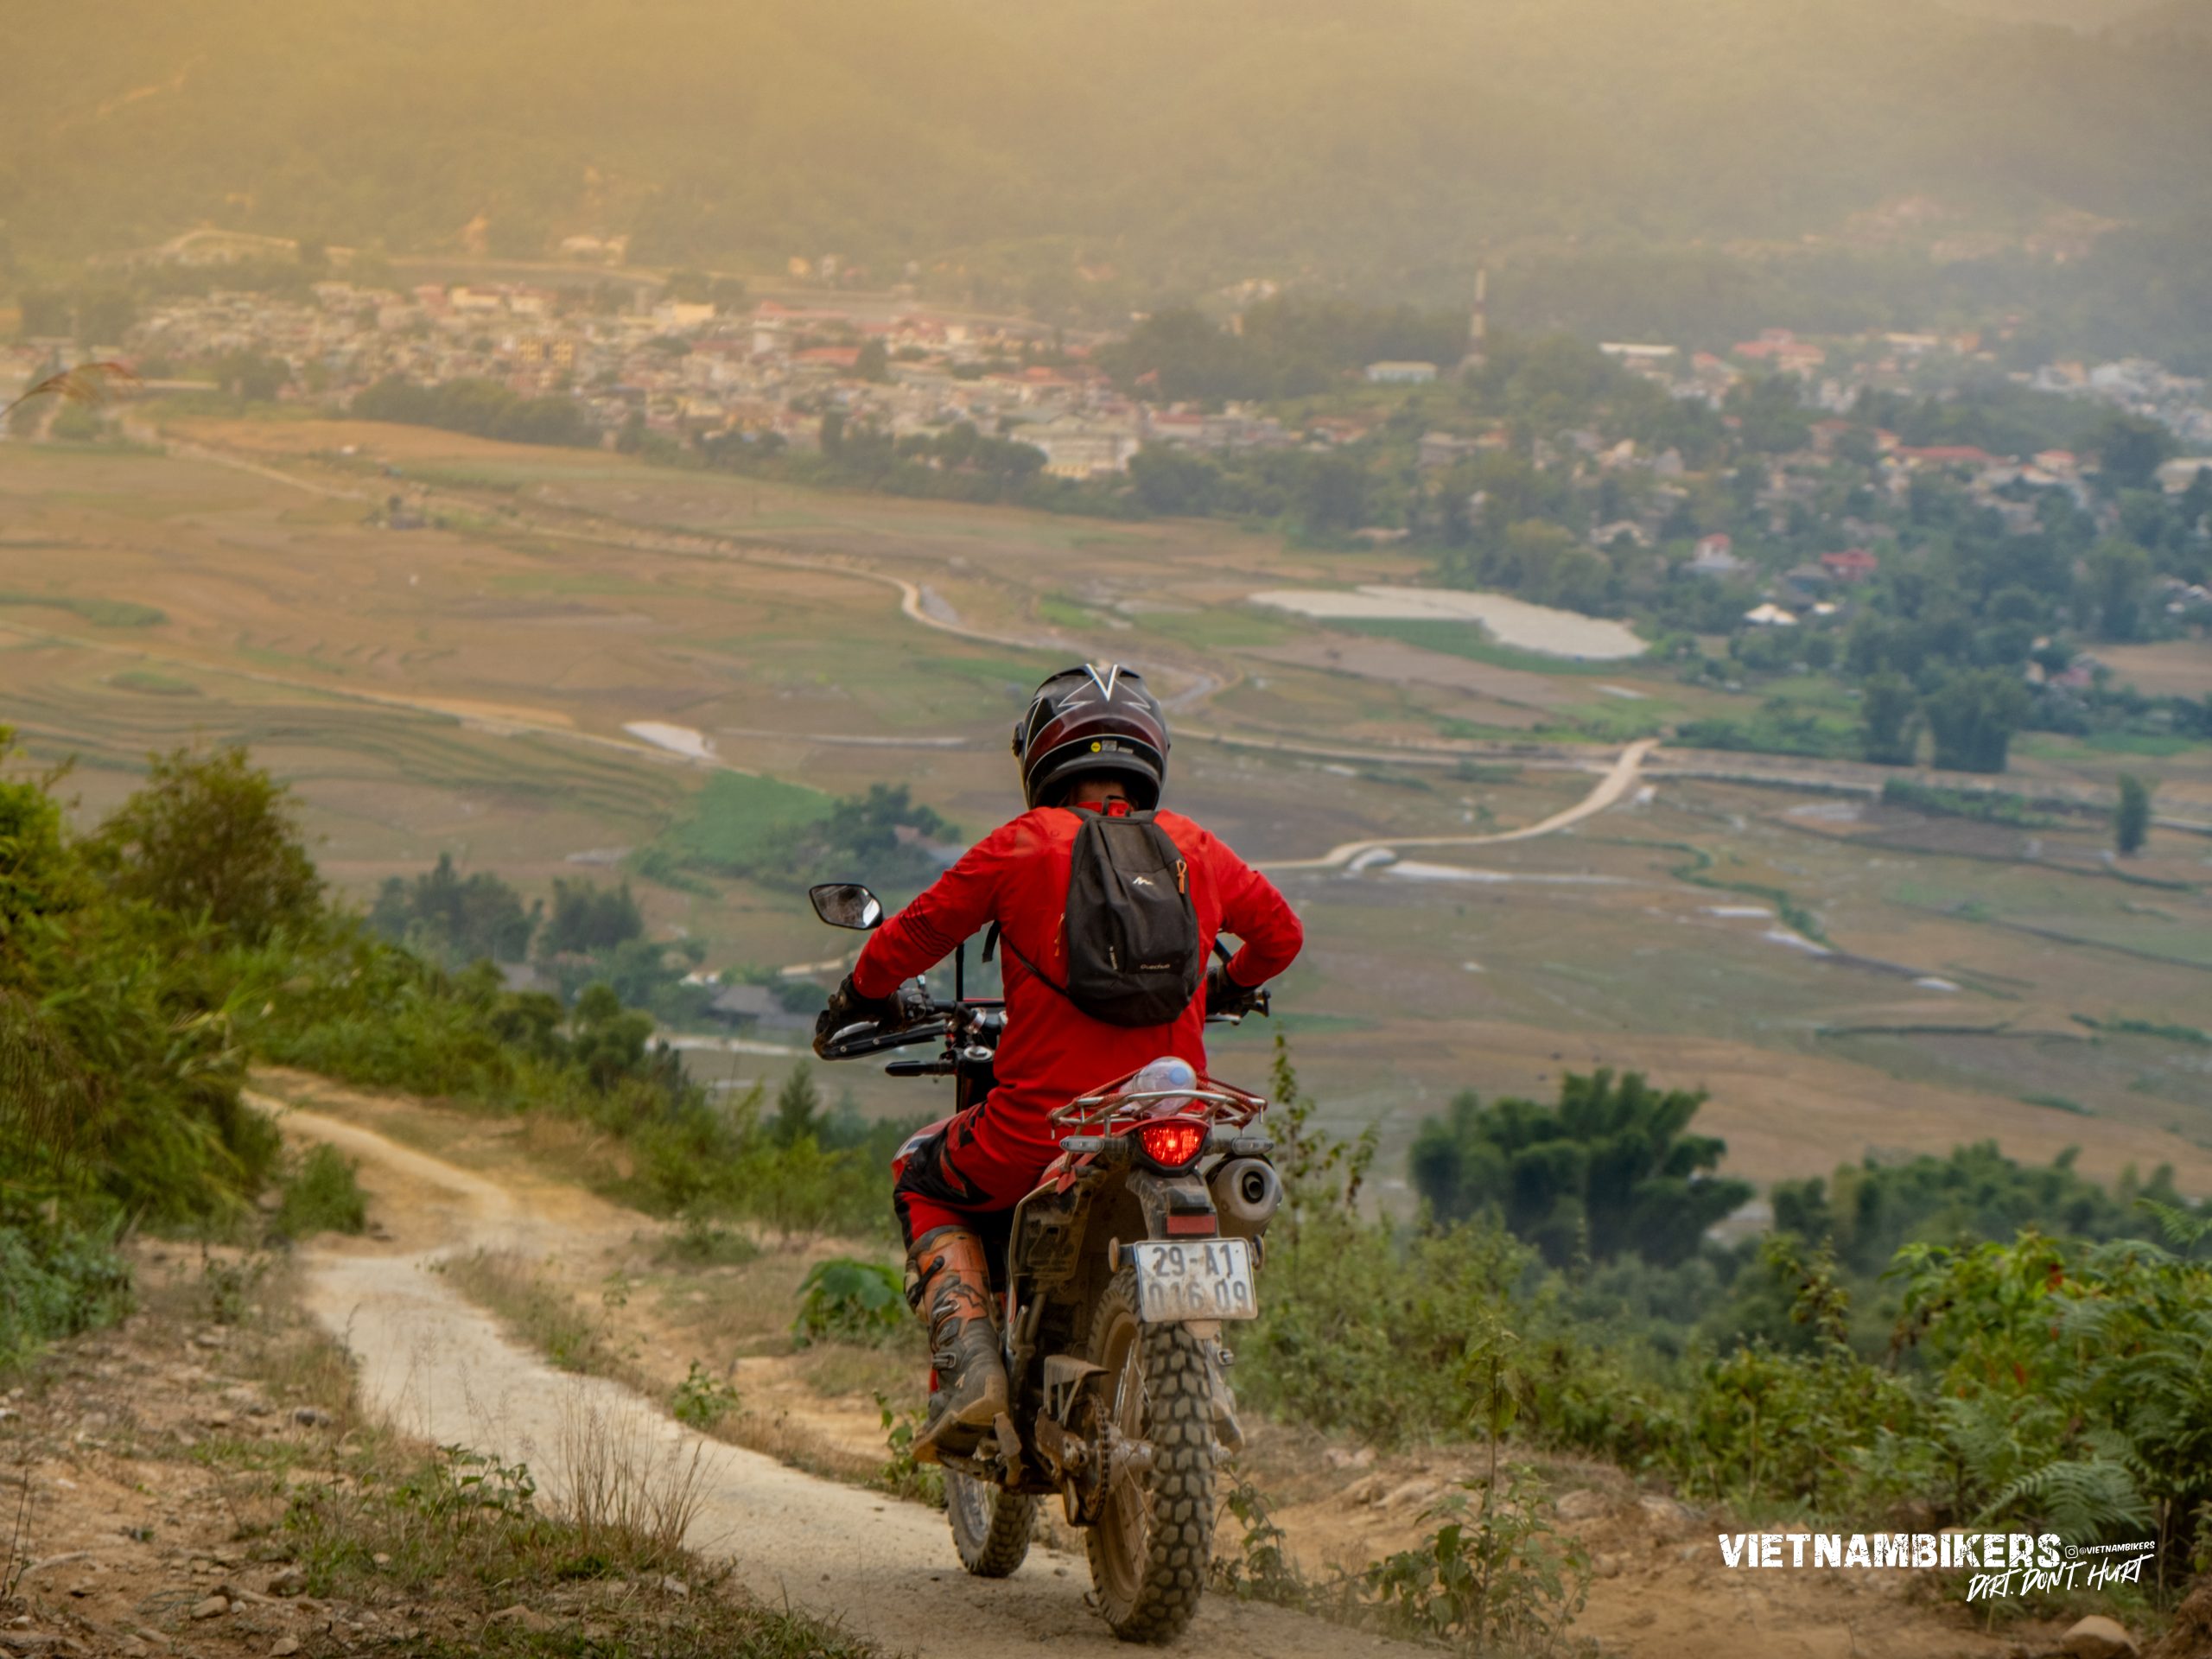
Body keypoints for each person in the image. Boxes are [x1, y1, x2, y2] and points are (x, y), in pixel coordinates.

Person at [813, 664, 1303, 1456]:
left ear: (1042, 757)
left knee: (920, 1175)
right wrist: (1222, 987)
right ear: (1149, 755)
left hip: (1041, 1135)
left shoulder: (1021, 846)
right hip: (1170, 1119)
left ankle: (972, 1365)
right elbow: (1281, 937)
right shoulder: (1195, 849)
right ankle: (1202, 1367)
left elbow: (908, 937)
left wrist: (860, 995)